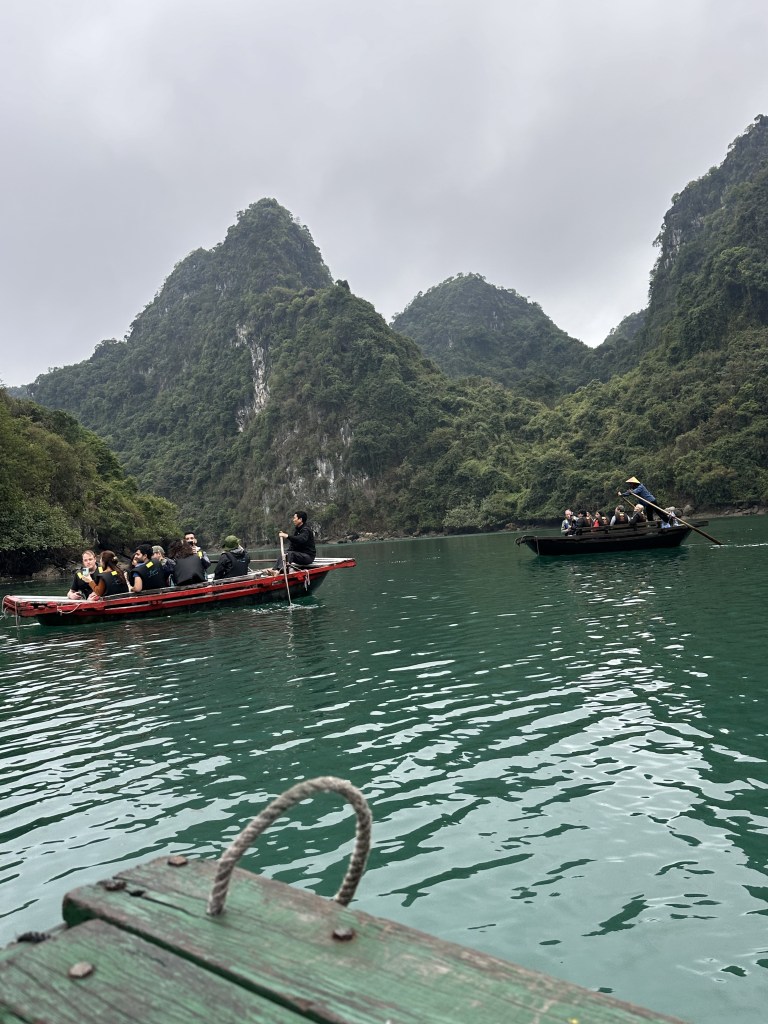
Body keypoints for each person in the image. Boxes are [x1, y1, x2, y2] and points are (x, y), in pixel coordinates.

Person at [268, 510, 316, 574]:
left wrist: (287, 536)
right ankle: (275, 570)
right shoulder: (298, 530)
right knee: (286, 553)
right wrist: (286, 554)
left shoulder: (306, 530)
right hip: (300, 555)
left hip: (308, 557)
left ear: (300, 519)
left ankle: (278, 571)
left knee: (291, 554)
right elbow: (293, 545)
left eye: (294, 518)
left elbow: (300, 539)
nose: (293, 520)